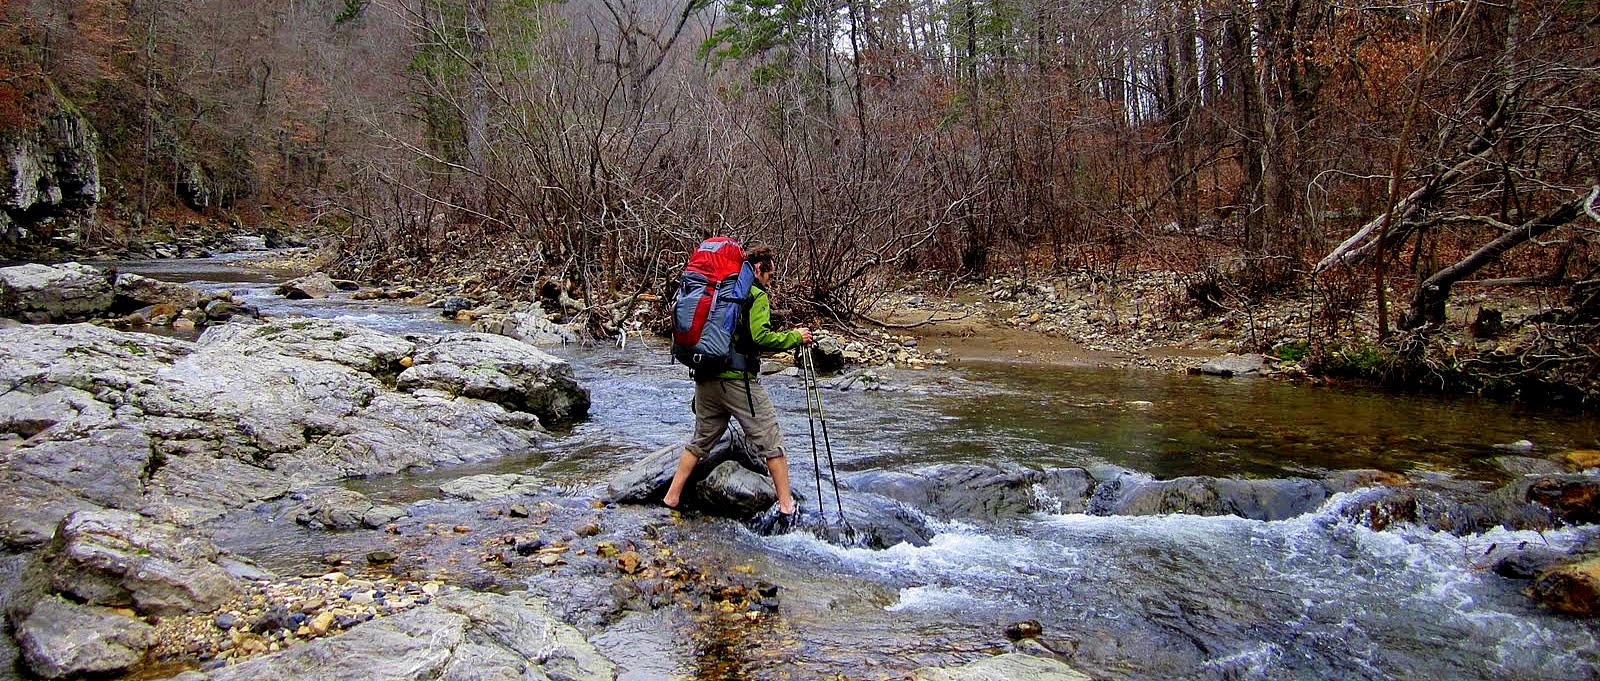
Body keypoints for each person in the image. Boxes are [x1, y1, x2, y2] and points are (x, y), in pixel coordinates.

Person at [662, 245, 812, 515]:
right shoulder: (754, 295)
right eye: (770, 275)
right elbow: (760, 338)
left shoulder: (721, 292)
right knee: (772, 441)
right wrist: (795, 337)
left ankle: (671, 497)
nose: (770, 281)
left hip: (706, 377)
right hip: (738, 382)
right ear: (758, 268)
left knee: (700, 442)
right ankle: (787, 506)